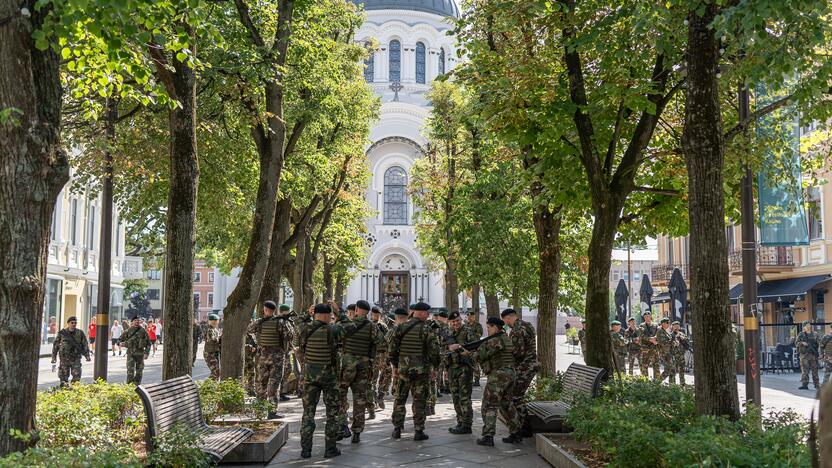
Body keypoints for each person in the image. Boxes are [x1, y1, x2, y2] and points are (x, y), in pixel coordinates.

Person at [298, 302, 356, 459]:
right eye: (330, 315)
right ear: (327, 315)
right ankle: (329, 449)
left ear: (315, 314)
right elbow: (351, 326)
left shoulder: (305, 328)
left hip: (310, 378)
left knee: (308, 414)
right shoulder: (334, 329)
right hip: (329, 378)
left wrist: (307, 313)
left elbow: (299, 322)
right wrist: (339, 312)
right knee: (332, 414)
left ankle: (306, 450)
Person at [462, 316, 521, 447]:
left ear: (495, 327)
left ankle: (488, 436)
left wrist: (465, 352)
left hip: (498, 376)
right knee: (507, 404)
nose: (487, 330)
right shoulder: (507, 338)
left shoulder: (495, 341)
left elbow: (479, 356)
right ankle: (516, 433)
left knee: (489, 405)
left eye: (488, 328)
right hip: (510, 374)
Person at [389, 302, 440, 441]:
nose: (428, 315)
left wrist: (395, 366)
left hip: (403, 371)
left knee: (400, 399)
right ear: (421, 313)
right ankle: (418, 431)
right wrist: (435, 367)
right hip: (420, 372)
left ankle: (397, 429)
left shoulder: (400, 327)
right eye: (427, 313)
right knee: (419, 400)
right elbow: (434, 352)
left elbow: (392, 349)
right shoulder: (427, 329)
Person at [337, 300, 378, 443]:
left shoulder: (347, 324)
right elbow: (381, 344)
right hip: (363, 366)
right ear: (368, 312)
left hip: (347, 365)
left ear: (356, 309)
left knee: (340, 395)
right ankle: (357, 432)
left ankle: (342, 424)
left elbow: (336, 339)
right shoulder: (373, 327)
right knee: (360, 398)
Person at [249, 300, 293, 416]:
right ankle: (271, 412)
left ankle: (259, 410)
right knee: (274, 383)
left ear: (265, 309)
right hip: (277, 358)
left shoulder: (259, 322)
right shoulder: (281, 322)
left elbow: (249, 329)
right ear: (274, 310)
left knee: (261, 383)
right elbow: (291, 335)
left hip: (263, 357)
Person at [501, 308, 539, 437]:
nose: (505, 323)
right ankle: (523, 426)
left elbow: (518, 352)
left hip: (525, 367)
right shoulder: (526, 325)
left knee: (515, 396)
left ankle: (525, 427)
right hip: (529, 365)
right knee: (517, 396)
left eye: (505, 320)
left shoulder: (518, 330)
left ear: (508, 318)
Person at [445, 310, 478, 435]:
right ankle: (460, 421)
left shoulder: (468, 331)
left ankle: (467, 424)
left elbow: (474, 347)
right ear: (449, 322)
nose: (456, 324)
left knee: (464, 397)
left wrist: (459, 346)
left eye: (457, 321)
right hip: (452, 368)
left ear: (461, 320)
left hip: (464, 368)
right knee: (455, 396)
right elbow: (443, 349)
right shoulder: (448, 333)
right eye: (453, 322)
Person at [51, 316, 91, 387]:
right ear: (68, 323)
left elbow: (85, 344)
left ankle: (74, 390)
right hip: (64, 358)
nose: (74, 324)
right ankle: (64, 390)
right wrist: (54, 357)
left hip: (75, 358)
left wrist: (87, 355)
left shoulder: (80, 333)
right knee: (63, 377)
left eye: (75, 323)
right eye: (72, 323)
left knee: (77, 376)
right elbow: (56, 345)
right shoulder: (62, 333)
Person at [369, 306, 390, 414]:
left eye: (377, 314)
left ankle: (380, 395)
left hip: (381, 356)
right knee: (373, 379)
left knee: (386, 375)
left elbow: (387, 340)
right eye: (375, 314)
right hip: (374, 356)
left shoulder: (383, 326)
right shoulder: (370, 326)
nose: (376, 316)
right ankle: (375, 399)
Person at [120, 316, 151, 385]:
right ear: (132, 322)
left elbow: (149, 343)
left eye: (138, 320)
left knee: (139, 371)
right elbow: (119, 340)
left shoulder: (143, 331)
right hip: (130, 354)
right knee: (130, 371)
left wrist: (146, 353)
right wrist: (121, 344)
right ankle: (130, 386)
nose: (137, 322)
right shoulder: (128, 331)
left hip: (140, 354)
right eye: (135, 320)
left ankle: (137, 385)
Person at [796, 320, 820, 390]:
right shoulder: (801, 334)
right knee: (804, 371)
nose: (809, 326)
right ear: (804, 327)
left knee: (815, 370)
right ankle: (804, 384)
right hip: (804, 355)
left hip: (813, 355)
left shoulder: (815, 334)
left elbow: (819, 343)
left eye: (809, 325)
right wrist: (802, 343)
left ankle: (816, 384)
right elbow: (796, 343)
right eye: (807, 325)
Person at [639, 311, 660, 379]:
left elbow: (659, 333)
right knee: (644, 365)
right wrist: (650, 339)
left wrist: (655, 339)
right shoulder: (642, 325)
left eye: (648, 316)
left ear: (651, 317)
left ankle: (657, 382)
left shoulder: (656, 325)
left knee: (656, 365)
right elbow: (641, 335)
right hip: (646, 349)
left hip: (654, 348)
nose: (647, 318)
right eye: (645, 317)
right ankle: (645, 382)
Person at [467, 310, 484, 386]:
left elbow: (479, 334)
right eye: (468, 316)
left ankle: (477, 379)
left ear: (474, 317)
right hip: (468, 346)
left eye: (471, 316)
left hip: (475, 346)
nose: (469, 318)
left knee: (475, 363)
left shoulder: (478, 325)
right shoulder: (466, 325)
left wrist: (471, 333)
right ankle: (469, 379)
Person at [204, 314, 222, 380]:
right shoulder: (209, 329)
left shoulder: (215, 329)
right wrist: (219, 337)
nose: (217, 322)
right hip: (210, 354)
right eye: (216, 321)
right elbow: (211, 339)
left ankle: (210, 387)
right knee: (216, 372)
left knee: (216, 372)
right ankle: (208, 387)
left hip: (214, 353)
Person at [656, 317, 674, 382]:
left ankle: (672, 385)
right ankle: (657, 382)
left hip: (668, 353)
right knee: (668, 369)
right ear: (663, 324)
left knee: (672, 369)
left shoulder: (665, 331)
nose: (668, 324)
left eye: (669, 323)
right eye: (667, 323)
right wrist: (672, 342)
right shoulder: (660, 331)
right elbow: (663, 343)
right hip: (664, 353)